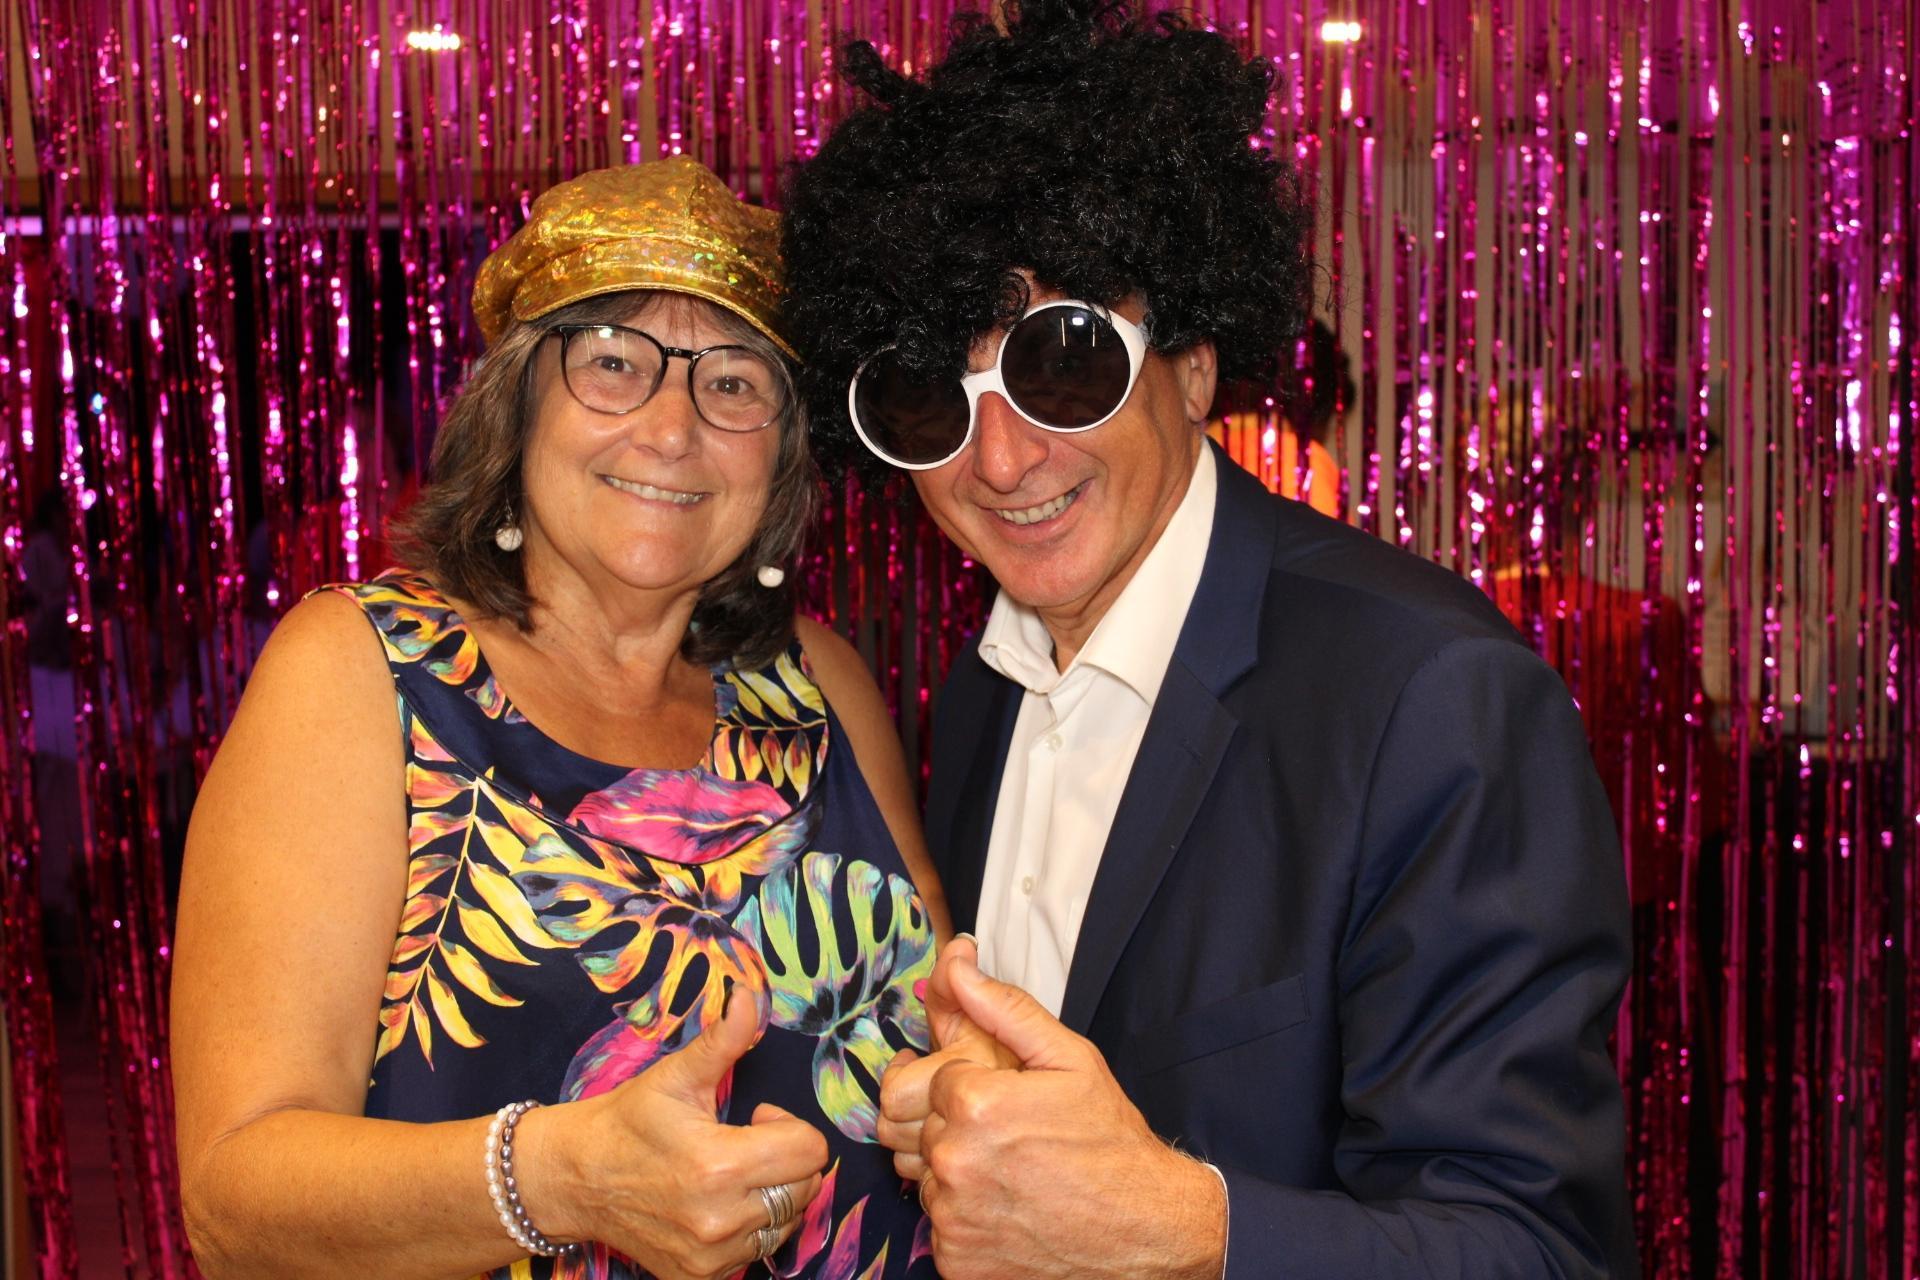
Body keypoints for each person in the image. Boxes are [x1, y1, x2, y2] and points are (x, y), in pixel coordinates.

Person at [779, 4, 1638, 1278]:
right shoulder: (982, 695)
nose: (1000, 459)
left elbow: (1541, 1250)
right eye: (929, 400)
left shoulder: (1429, 698)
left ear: (1188, 364)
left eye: (1060, 363)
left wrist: (1188, 1229)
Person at [172, 158, 946, 1280]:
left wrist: (957, 1094)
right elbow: (235, 1204)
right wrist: (565, 1177)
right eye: (614, 362)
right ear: (517, 405)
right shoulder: (361, 673)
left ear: (782, 457)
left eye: (734, 384)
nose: (672, 429)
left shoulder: (821, 687)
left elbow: (933, 1037)